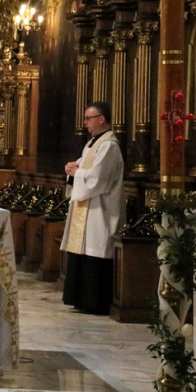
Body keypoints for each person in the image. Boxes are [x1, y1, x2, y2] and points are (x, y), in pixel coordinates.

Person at [60, 101, 125, 315]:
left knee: (95, 251)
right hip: (88, 207)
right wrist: (72, 168)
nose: (85, 122)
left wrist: (76, 173)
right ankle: (80, 299)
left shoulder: (109, 146)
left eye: (89, 118)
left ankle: (95, 302)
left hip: (100, 209)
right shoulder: (92, 144)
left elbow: (98, 179)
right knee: (83, 251)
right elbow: (82, 167)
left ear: (101, 119)